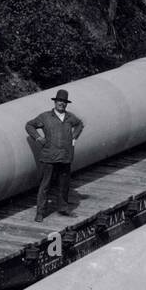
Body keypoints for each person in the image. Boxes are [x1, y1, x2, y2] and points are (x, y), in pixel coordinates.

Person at [25, 89, 84, 221]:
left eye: (64, 102)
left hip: (65, 156)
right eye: (59, 101)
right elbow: (29, 125)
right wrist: (38, 138)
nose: (61, 104)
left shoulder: (70, 117)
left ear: (66, 104)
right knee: (45, 185)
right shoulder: (45, 117)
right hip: (49, 157)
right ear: (55, 102)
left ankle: (63, 208)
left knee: (64, 184)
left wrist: (74, 137)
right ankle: (40, 212)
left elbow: (80, 124)